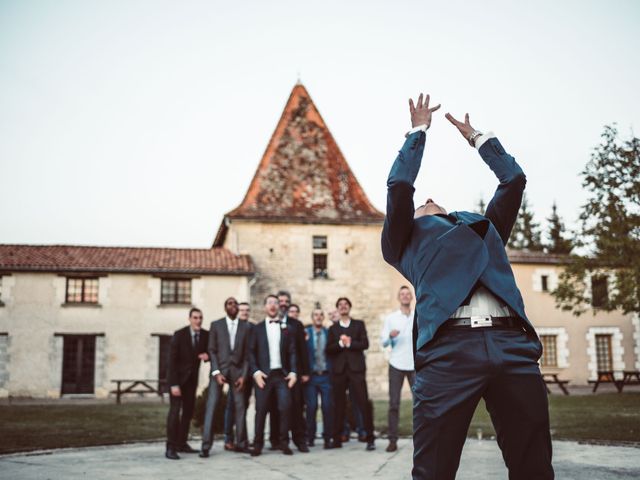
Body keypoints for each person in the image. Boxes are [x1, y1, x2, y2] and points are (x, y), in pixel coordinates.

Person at [381, 93, 553, 479]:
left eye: (434, 200)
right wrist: (418, 131)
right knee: (433, 470)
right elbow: (399, 185)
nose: (428, 199)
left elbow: (514, 179)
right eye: (422, 204)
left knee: (534, 466)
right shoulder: (403, 243)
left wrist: (479, 139)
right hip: (449, 352)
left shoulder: (487, 228)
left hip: (512, 345)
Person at [200, 297, 251, 457]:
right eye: (230, 303)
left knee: (240, 407)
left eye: (236, 304)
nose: (233, 306)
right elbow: (212, 349)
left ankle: (241, 443)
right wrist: (216, 372)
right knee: (212, 406)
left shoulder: (246, 327)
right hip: (219, 371)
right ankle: (206, 446)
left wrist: (243, 375)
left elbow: (248, 354)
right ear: (225, 307)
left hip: (237, 372)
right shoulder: (216, 325)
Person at [249, 294, 298, 456]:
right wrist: (255, 372)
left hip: (281, 376)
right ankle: (257, 444)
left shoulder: (287, 329)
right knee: (261, 410)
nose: (272, 305)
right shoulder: (256, 329)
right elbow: (251, 353)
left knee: (285, 407)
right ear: (265, 307)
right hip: (263, 376)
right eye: (269, 303)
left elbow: (292, 352)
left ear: (279, 307)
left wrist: (293, 372)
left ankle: (284, 443)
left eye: (275, 303)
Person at [326, 297, 375, 451]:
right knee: (338, 405)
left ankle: (370, 438)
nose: (343, 307)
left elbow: (365, 344)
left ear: (349, 307)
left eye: (345, 304)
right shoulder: (333, 329)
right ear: (337, 309)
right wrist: (340, 343)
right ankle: (337, 438)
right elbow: (329, 349)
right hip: (339, 372)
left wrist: (350, 343)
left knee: (363, 403)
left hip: (356, 370)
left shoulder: (358, 324)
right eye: (340, 305)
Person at [268, 290, 310, 452]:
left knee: (297, 407)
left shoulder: (296, 324)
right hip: (275, 374)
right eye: (281, 301)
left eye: (286, 301)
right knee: (276, 407)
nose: (283, 303)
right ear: (277, 304)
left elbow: (302, 350)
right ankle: (275, 440)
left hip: (294, 373)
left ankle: (300, 440)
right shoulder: (270, 323)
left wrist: (305, 372)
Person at [165, 308, 209, 460]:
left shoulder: (205, 335)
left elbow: (209, 351)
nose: (198, 321)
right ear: (189, 319)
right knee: (175, 412)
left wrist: (207, 356)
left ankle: (181, 443)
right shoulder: (179, 335)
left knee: (188, 413)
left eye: (200, 318)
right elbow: (171, 361)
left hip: (191, 382)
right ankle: (170, 447)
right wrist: (174, 384)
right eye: (195, 318)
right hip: (177, 381)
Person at [380, 285, 415, 453]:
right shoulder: (391, 318)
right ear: (398, 297)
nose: (405, 296)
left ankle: (421, 439)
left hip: (415, 365)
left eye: (408, 294)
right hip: (396, 364)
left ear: (412, 297)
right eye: (402, 294)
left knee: (420, 404)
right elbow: (383, 342)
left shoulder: (418, 316)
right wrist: (390, 336)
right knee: (394, 404)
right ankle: (392, 440)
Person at [223, 301, 253, 450]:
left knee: (244, 407)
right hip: (236, 374)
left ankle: (243, 438)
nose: (245, 312)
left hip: (251, 374)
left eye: (247, 310)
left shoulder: (252, 328)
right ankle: (229, 438)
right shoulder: (231, 329)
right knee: (231, 406)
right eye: (242, 310)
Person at [304, 308, 332, 448]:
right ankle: (310, 437)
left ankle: (328, 438)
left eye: (321, 315)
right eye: (316, 315)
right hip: (311, 377)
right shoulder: (306, 334)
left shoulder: (328, 333)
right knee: (311, 407)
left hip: (326, 376)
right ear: (312, 318)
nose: (319, 317)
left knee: (327, 407)